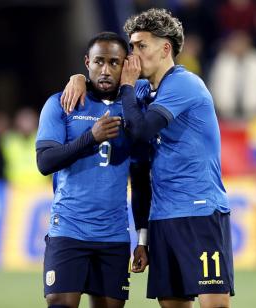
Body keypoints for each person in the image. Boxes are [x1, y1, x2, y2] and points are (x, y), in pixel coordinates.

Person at [61, 9, 234, 308]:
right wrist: (78, 78)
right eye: (132, 46)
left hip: (199, 211)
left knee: (214, 305)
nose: (132, 55)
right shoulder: (144, 90)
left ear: (165, 48)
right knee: (172, 304)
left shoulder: (184, 84)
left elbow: (140, 131)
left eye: (141, 45)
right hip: (163, 216)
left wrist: (127, 86)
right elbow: (104, 82)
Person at [36, 32, 151, 308]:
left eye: (115, 63)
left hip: (113, 235)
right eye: (99, 62)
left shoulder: (137, 106)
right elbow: (45, 162)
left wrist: (143, 239)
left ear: (126, 66)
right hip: (68, 229)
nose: (106, 70)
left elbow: (141, 181)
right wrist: (91, 137)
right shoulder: (62, 103)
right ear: (87, 62)